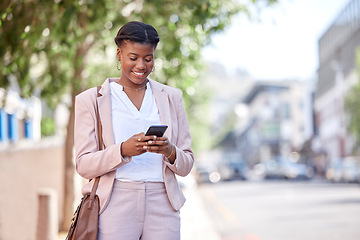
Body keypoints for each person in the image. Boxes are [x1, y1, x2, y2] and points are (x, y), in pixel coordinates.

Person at [74, 21, 194, 240]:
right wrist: (122, 150)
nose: (141, 65)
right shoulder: (90, 100)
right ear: (119, 54)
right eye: (133, 58)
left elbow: (187, 163)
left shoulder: (172, 97)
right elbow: (83, 165)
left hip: (163, 203)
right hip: (114, 202)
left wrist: (170, 150)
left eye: (148, 59)